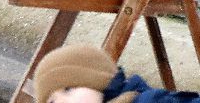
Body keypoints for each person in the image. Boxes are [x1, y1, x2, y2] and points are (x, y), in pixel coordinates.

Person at [35, 43, 198, 102]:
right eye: (52, 102)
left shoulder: (147, 101)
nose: (62, 102)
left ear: (99, 81)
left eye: (69, 90)